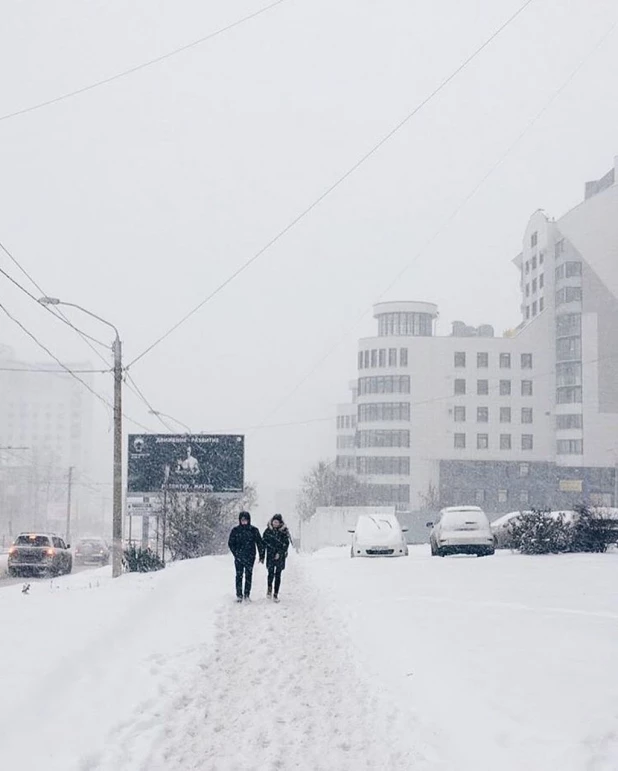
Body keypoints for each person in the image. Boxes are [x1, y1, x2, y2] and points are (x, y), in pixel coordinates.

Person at [228, 511, 264, 602]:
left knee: (249, 575)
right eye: (242, 520)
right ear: (240, 520)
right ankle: (239, 595)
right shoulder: (235, 530)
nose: (244, 522)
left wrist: (261, 555)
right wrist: (236, 553)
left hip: (250, 557)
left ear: (249, 520)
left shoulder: (254, 530)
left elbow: (259, 543)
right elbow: (231, 543)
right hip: (239, 557)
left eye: (246, 520)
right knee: (239, 575)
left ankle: (247, 594)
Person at [262, 514, 290, 602]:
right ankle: (269, 589)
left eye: (277, 522)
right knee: (270, 574)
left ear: (280, 523)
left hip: (280, 557)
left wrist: (280, 552)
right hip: (270, 555)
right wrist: (262, 555)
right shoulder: (268, 531)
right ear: (272, 522)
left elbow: (286, 544)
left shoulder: (284, 532)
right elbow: (263, 543)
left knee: (278, 575)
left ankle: (276, 594)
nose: (275, 523)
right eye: (274, 522)